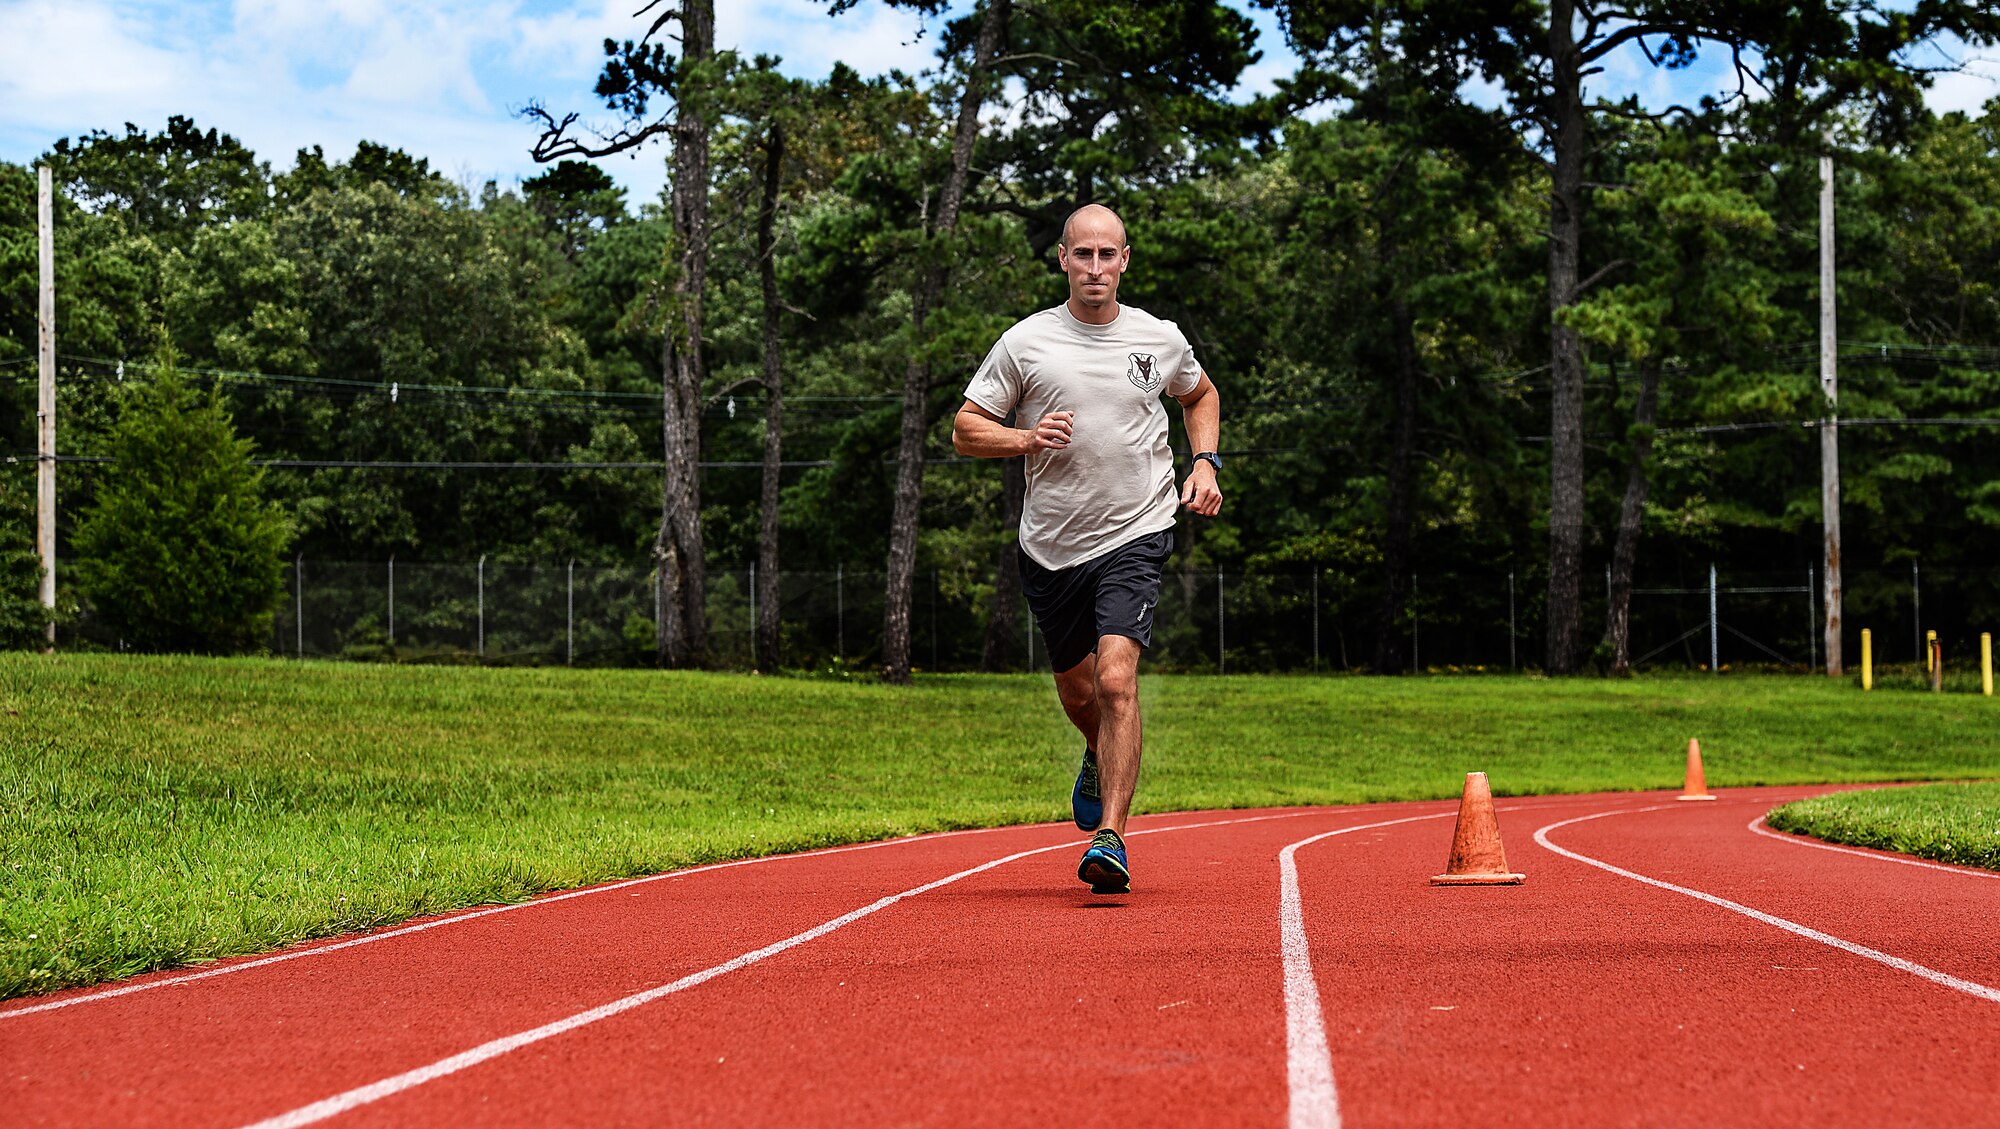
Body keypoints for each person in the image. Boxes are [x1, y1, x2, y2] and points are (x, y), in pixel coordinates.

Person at [951, 203, 1223, 894]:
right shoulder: (1025, 343)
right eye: (1083, 254)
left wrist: (1206, 463)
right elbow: (964, 429)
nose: (1096, 267)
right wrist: (1025, 437)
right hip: (1051, 546)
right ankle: (1094, 752)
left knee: (1115, 679)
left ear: (1125, 260)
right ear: (1064, 260)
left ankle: (1114, 836)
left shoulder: (1158, 338)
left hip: (1137, 529)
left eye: (1108, 254)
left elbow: (1200, 394)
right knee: (1080, 694)